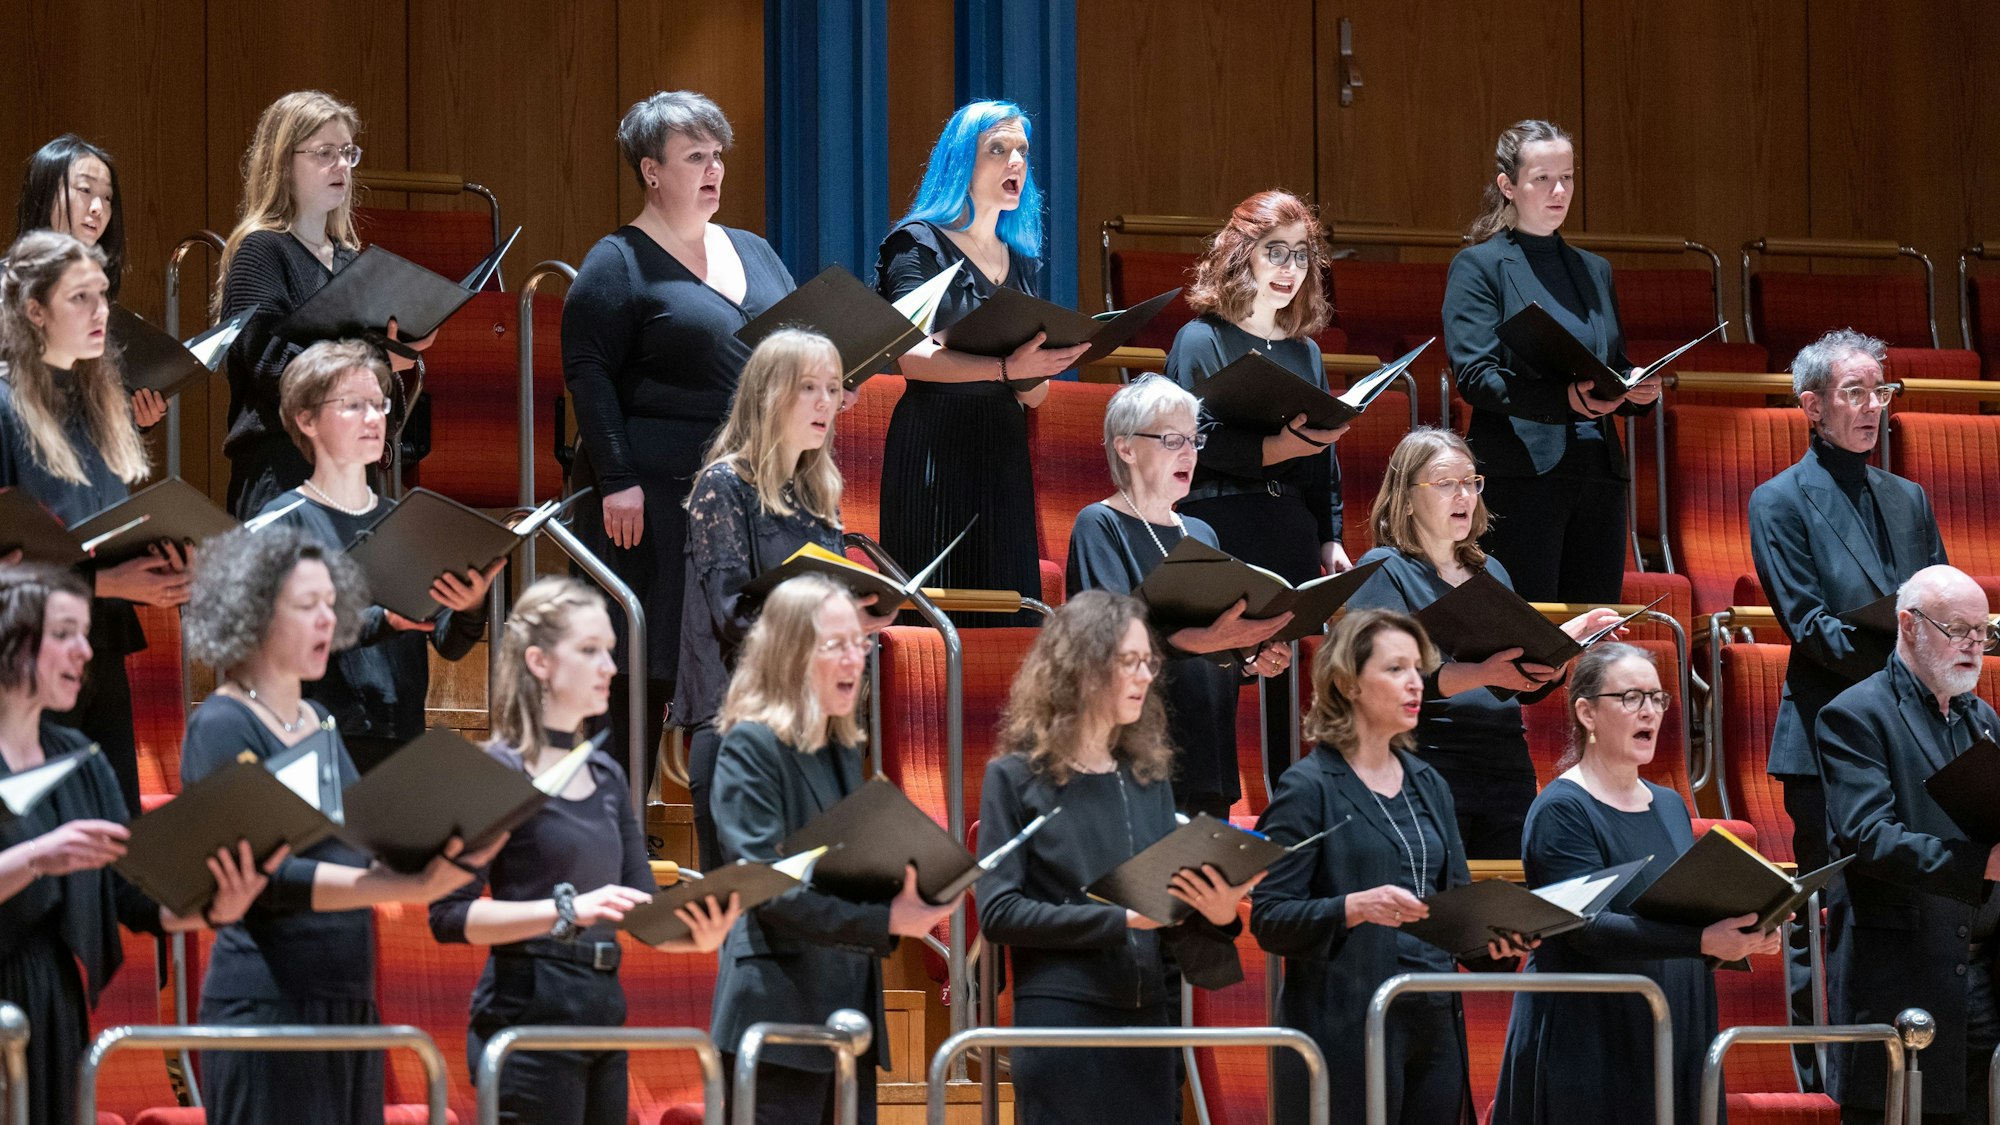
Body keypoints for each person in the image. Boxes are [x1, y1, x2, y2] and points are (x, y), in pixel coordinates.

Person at [180, 525, 504, 1125]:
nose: (328, 621)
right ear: (249, 613)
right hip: (267, 1001)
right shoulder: (223, 723)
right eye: (308, 607)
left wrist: (453, 835)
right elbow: (260, 876)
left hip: (346, 994)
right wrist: (400, 887)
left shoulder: (319, 718)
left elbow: (359, 842)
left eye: (332, 605)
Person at [432, 576, 740, 1125]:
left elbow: (642, 910)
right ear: (540, 661)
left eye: (611, 653)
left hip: (602, 1007)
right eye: (591, 651)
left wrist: (699, 934)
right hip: (527, 1011)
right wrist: (566, 911)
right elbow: (450, 915)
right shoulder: (500, 772)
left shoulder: (604, 773)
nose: (610, 668)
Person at [564, 90, 796, 782]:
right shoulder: (618, 262)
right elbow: (589, 372)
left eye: (717, 155)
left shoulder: (752, 250)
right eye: (695, 156)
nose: (713, 169)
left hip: (746, 496)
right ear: (651, 171)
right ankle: (616, 843)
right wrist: (616, 480)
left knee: (740, 672)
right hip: (650, 502)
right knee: (641, 671)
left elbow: (794, 342)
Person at [0, 563, 272, 1125]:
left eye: (84, 633)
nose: (85, 650)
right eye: (63, 634)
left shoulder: (78, 758)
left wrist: (216, 906)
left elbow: (131, 895)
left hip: (53, 1008)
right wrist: (36, 857)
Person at [1748, 327, 1945, 1091]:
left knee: (1912, 911)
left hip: (1916, 738)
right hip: (1830, 735)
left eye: (1882, 391)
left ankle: (1908, 1074)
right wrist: (1916, 648)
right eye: (1855, 393)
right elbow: (1813, 629)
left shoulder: (1910, 498)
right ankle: (1824, 1082)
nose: (1873, 407)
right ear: (1812, 406)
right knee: (1826, 915)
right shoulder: (1779, 499)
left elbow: (1935, 604)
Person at [977, 589, 1255, 1124]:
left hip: (1149, 1023)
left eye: (1148, 661)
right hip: (1064, 1026)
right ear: (1080, 667)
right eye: (1128, 662)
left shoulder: (1146, 779)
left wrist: (1216, 917)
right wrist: (1121, 917)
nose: (1146, 675)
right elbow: (998, 913)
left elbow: (1166, 917)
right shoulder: (1013, 778)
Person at [1252, 608, 1528, 1125]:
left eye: (1417, 668)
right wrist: (1354, 907)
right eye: (1396, 669)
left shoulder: (1429, 783)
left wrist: (1499, 942)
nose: (1415, 683)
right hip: (1346, 1024)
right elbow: (1270, 919)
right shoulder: (1307, 788)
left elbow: (1456, 912)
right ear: (1348, 684)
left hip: (1434, 1021)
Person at [1490, 643, 1778, 1125]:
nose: (1650, 711)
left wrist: (1749, 923)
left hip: (1675, 1018)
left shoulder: (1668, 804)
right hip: (1591, 1033)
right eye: (1630, 698)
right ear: (1586, 712)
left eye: (1657, 698)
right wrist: (1702, 939)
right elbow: (1582, 929)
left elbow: (1676, 909)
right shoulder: (1563, 809)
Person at [708, 574, 960, 1124]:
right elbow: (767, 888)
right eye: (836, 645)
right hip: (777, 1016)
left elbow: (844, 866)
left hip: (847, 1012)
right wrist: (887, 918)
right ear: (791, 653)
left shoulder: (841, 746)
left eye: (859, 643)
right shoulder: (750, 745)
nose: (856, 659)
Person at [1347, 426, 1623, 858]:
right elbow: (1390, 678)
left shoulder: (1490, 570)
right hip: (1423, 758)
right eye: (1445, 484)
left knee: (1505, 903)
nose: (1464, 495)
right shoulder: (1383, 568)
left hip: (1504, 762)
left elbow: (1515, 682)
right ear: (1406, 497)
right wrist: (1483, 673)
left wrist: (1559, 649)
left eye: (1472, 482)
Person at [676, 328, 893, 869]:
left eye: (833, 388)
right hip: (740, 721)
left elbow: (820, 607)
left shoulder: (818, 494)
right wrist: (827, 629)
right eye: (809, 388)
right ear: (769, 394)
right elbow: (733, 616)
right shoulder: (723, 486)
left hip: (817, 723)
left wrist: (860, 618)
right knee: (751, 921)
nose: (827, 402)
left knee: (821, 914)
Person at [874, 99, 1086, 626]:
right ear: (960, 162)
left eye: (1022, 152)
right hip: (935, 442)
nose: (1015, 162)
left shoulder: (1020, 259)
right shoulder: (917, 242)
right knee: (935, 610)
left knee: (1007, 609)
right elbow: (912, 357)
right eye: (998, 150)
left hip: (1001, 444)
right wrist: (1005, 370)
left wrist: (1044, 365)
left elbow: (1032, 394)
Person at [0, 230, 191, 813]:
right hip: (24, 659)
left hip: (97, 643)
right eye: (79, 297)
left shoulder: (98, 405)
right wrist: (111, 582)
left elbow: (98, 536)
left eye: (103, 295)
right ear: (35, 311)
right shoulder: (4, 408)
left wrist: (162, 566)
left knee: (110, 838)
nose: (101, 311)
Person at [1166, 189, 1346, 783]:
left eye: (1301, 255)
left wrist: (1328, 537)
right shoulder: (1202, 339)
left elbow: (1322, 457)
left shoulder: (1306, 352)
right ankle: (1211, 810)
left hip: (1290, 531)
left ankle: (1289, 818)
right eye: (1277, 252)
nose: (1290, 269)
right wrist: (1277, 448)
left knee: (1287, 695)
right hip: (1223, 529)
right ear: (1242, 254)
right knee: (1221, 684)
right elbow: (1189, 441)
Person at [1442, 119, 1658, 604]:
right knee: (1527, 634)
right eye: (1542, 178)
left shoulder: (1594, 269)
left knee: (1592, 631)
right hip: (1524, 474)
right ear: (1508, 186)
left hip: (1598, 474)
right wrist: (1561, 399)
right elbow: (1476, 378)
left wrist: (1634, 390)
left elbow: (1609, 362)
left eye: (1568, 176)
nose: (1559, 190)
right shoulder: (1480, 266)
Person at [257, 339, 496, 773]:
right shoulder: (281, 522)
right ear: (306, 419)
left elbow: (449, 642)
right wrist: (381, 622)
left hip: (402, 735)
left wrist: (470, 605)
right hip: (316, 738)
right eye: (352, 406)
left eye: (379, 404)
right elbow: (284, 640)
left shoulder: (404, 520)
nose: (373, 419)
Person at [1818, 565, 2000, 1125]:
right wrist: (1983, 864)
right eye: (1958, 630)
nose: (1974, 645)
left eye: (1984, 632)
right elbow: (1870, 838)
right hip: (1902, 979)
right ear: (1909, 624)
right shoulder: (1855, 714)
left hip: (1984, 977)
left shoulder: (1984, 718)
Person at [1064, 375, 1291, 816]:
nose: (1189, 452)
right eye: (1172, 439)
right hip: (1135, 757)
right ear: (1125, 447)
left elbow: (1216, 642)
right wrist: (1205, 640)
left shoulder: (1200, 531)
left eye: (1193, 439)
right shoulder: (1099, 525)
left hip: (1208, 756)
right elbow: (1106, 646)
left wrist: (1249, 656)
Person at [213, 89, 432, 519]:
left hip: (350, 472)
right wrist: (375, 361)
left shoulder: (350, 260)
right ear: (283, 164)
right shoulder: (261, 252)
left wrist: (399, 354)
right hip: (282, 468)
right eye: (324, 153)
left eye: (348, 153)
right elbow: (270, 366)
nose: (342, 166)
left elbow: (376, 374)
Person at [12, 134, 165, 429]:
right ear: (46, 194)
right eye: (85, 189)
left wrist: (135, 416)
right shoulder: (9, 284)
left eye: (107, 197)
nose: (98, 208)